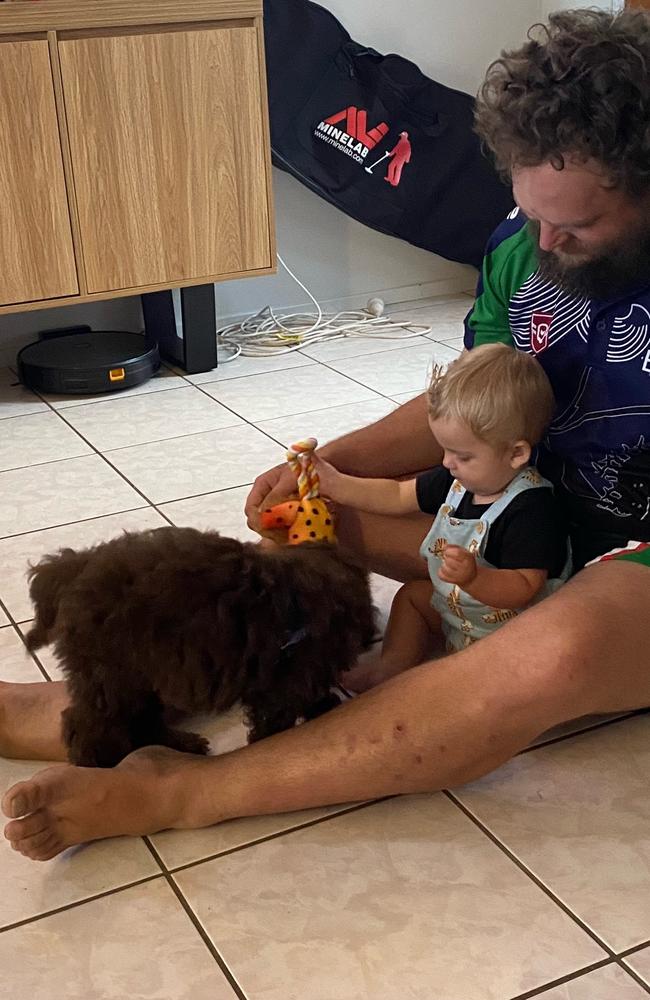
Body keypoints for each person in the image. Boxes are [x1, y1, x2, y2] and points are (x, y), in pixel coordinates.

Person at [2, 8, 650, 862]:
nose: (546, 243)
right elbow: (466, 408)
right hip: (518, 516)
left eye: (578, 228)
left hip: (624, 561)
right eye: (532, 215)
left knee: (555, 651)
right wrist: (325, 464)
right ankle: (124, 705)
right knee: (308, 517)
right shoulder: (521, 251)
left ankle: (184, 790)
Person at [316, 344, 568, 692]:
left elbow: (526, 586)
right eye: (444, 450)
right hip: (462, 607)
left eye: (462, 455)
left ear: (516, 453)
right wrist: (336, 483)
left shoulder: (532, 508)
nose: (448, 463)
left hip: (513, 626)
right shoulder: (458, 479)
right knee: (413, 598)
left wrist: (475, 578)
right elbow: (396, 496)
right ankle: (390, 666)